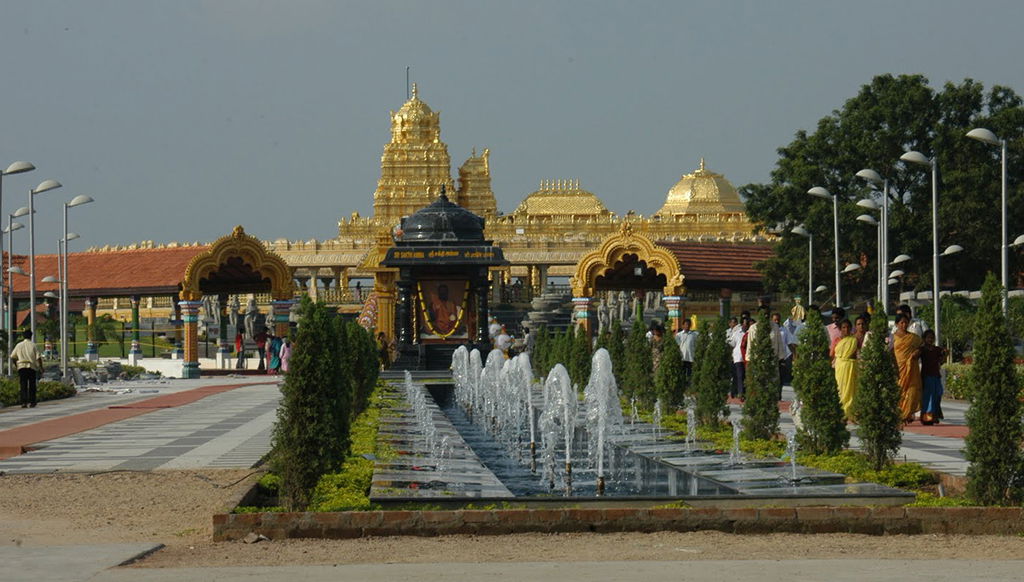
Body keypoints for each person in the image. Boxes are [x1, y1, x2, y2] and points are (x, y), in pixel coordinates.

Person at [893, 315, 924, 423]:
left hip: (911, 368)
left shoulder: (914, 338)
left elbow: (922, 346)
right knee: (899, 392)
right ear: (896, 324)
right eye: (901, 322)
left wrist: (917, 352)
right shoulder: (892, 337)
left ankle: (907, 414)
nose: (904, 325)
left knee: (912, 390)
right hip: (898, 368)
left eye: (906, 322)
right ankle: (899, 414)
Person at [833, 319, 859, 420]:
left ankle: (849, 411)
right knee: (840, 388)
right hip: (840, 366)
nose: (846, 329)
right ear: (840, 329)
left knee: (850, 389)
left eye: (848, 327)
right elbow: (831, 354)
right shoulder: (837, 340)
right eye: (844, 327)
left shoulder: (854, 340)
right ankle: (841, 411)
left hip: (851, 366)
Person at [919, 329, 946, 425]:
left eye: (932, 338)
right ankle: (927, 416)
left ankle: (934, 414)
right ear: (924, 339)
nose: (930, 340)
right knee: (928, 397)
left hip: (936, 375)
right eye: (928, 338)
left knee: (937, 394)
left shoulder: (937, 349)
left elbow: (942, 358)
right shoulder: (922, 349)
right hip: (926, 376)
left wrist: (943, 356)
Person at [10, 330, 43, 408]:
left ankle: (23, 402)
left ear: (23, 336)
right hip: (31, 367)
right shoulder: (33, 345)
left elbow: (13, 357)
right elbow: (38, 357)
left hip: (21, 367)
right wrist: (41, 367)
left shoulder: (19, 345)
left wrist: (16, 365)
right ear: (31, 336)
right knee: (32, 385)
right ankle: (32, 402)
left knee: (23, 385)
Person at [675, 318, 698, 386]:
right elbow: (677, 345)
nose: (687, 326)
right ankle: (682, 384)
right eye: (686, 324)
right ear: (683, 325)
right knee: (682, 372)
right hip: (682, 356)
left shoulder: (694, 335)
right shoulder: (679, 335)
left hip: (690, 356)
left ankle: (689, 385)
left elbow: (696, 344)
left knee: (690, 372)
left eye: (688, 324)